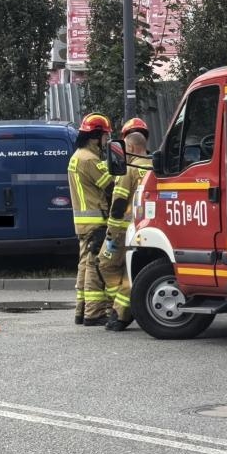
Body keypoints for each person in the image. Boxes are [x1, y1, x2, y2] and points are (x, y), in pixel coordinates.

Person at [102, 117, 151, 332]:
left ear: (129, 146)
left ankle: (121, 311)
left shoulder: (128, 168)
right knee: (131, 271)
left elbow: (118, 203)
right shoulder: (154, 165)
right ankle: (121, 309)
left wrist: (111, 234)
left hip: (123, 229)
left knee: (106, 264)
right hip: (147, 227)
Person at [67, 114, 114, 326]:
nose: (106, 140)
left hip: (83, 222)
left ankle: (81, 311)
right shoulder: (90, 160)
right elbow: (111, 187)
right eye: (105, 136)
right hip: (96, 221)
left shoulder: (77, 156)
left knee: (85, 265)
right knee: (95, 266)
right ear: (95, 136)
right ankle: (94, 314)